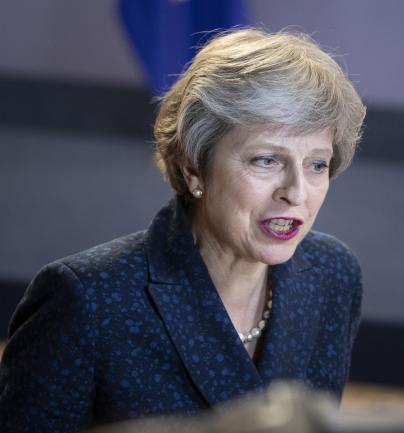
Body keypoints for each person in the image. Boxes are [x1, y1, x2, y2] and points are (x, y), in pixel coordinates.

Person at [0, 28, 366, 432]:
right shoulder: (85, 301)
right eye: (266, 160)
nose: (297, 192)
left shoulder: (333, 275)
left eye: (317, 164)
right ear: (193, 166)